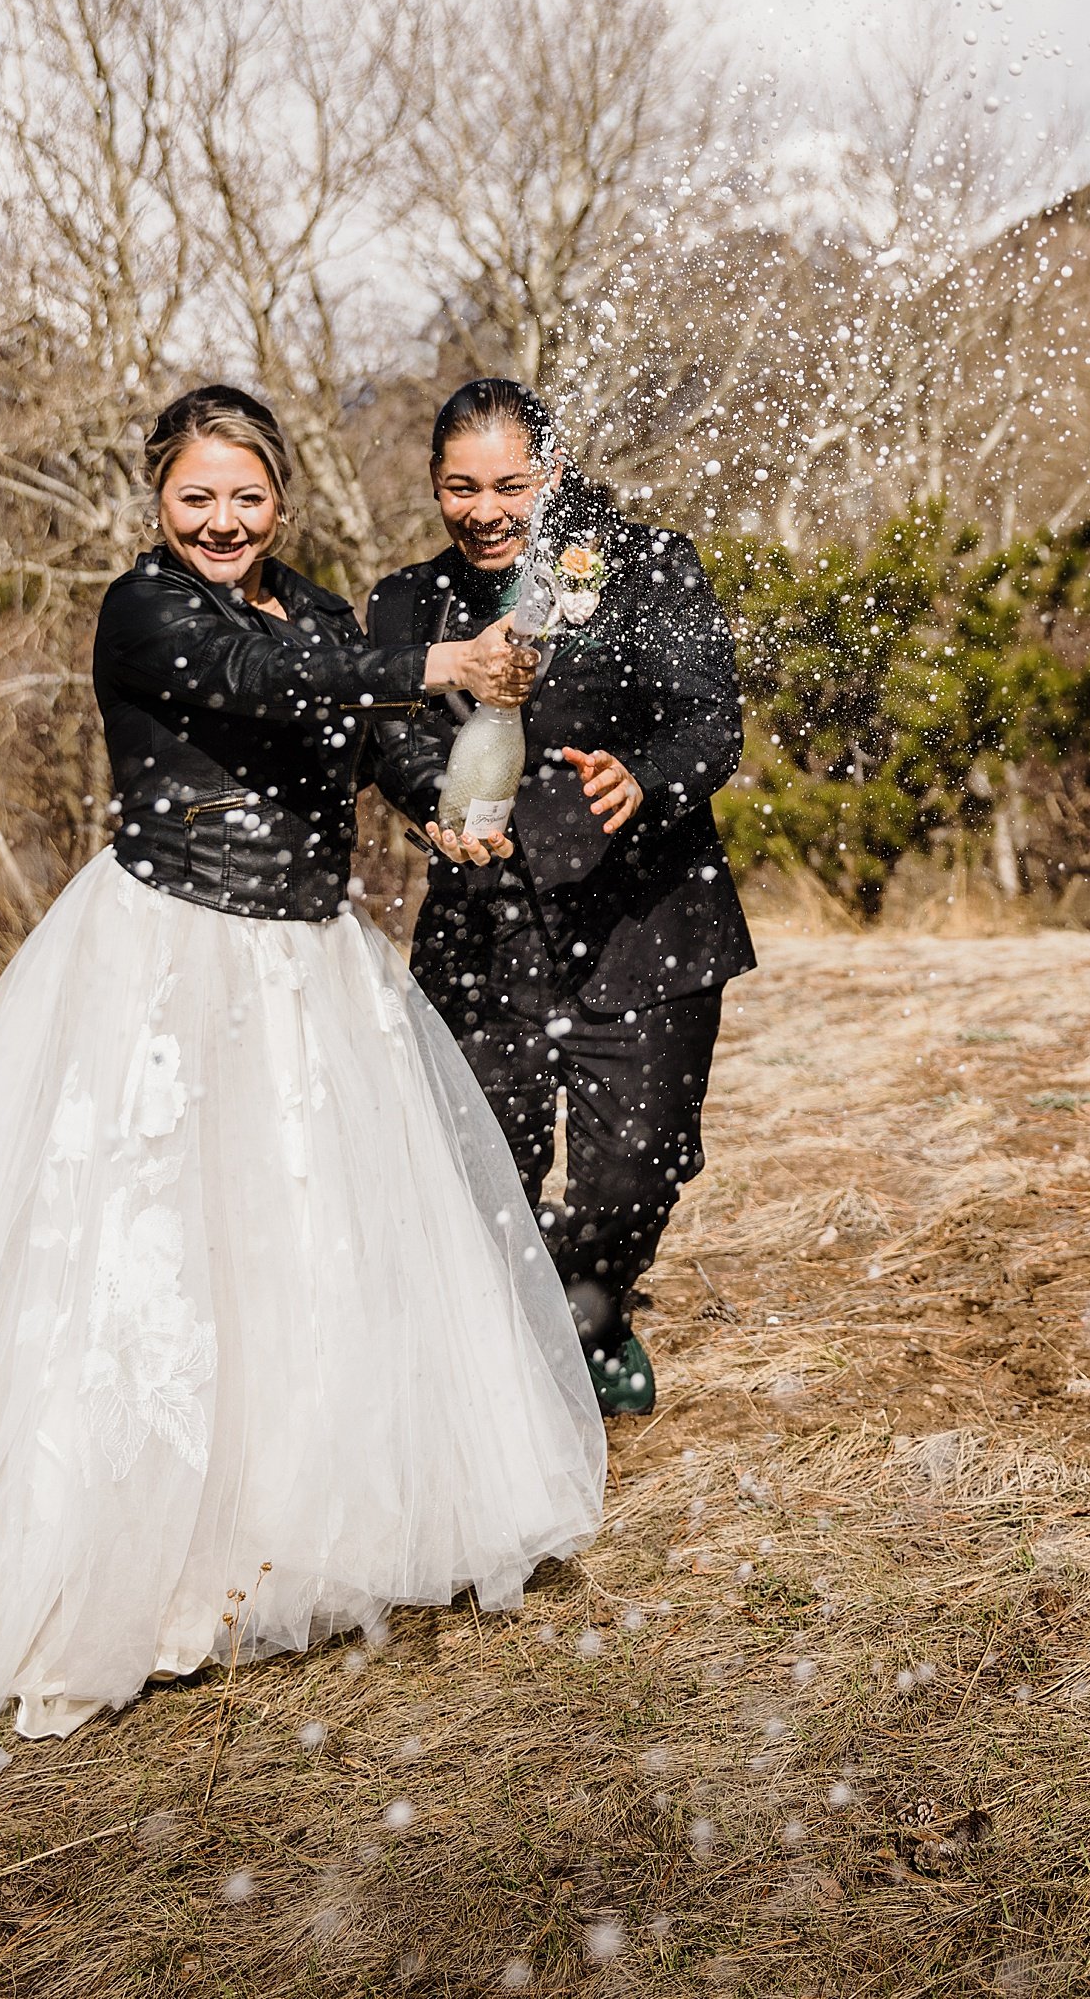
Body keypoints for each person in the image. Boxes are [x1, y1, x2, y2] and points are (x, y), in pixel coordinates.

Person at [0, 385, 603, 1801]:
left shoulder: (310, 603)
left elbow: (359, 725)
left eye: (246, 496)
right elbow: (275, 690)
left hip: (307, 967)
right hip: (168, 963)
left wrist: (441, 789)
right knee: (138, 1256)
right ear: (157, 497)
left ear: (282, 500)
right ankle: (97, 1558)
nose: (222, 520)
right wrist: (445, 650)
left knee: (292, 1251)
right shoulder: (144, 613)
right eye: (197, 496)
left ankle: (273, 1536)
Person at [368, 379, 755, 1416]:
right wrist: (425, 796)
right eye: (460, 486)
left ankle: (592, 1307)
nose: (485, 508)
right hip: (481, 939)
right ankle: (517, 1379)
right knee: (479, 1168)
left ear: (553, 476)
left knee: (639, 1169)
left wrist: (648, 777)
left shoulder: (647, 565)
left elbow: (711, 719)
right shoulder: (408, 602)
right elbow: (393, 734)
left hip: (645, 923)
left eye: (511, 483)